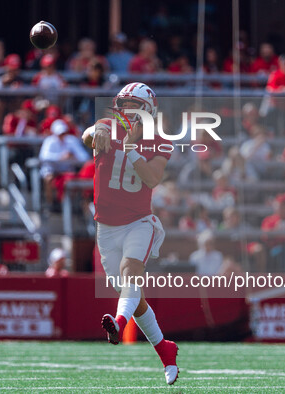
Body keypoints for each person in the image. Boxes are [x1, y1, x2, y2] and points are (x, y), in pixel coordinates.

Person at [81, 82, 178, 385]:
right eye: (123, 105)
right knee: (134, 297)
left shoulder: (160, 141)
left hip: (139, 222)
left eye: (133, 106)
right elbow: (89, 134)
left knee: (130, 274)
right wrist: (93, 135)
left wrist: (132, 148)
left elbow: (151, 178)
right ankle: (165, 349)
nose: (125, 111)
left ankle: (118, 324)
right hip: (106, 228)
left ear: (148, 111)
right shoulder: (107, 126)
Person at [39, 119, 90, 204]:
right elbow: (43, 157)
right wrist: (60, 157)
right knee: (48, 178)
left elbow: (84, 157)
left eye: (63, 133)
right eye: (59, 133)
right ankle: (50, 203)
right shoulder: (49, 141)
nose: (62, 135)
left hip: (67, 170)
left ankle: (68, 204)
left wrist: (73, 156)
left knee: (73, 179)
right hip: (52, 170)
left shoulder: (71, 140)